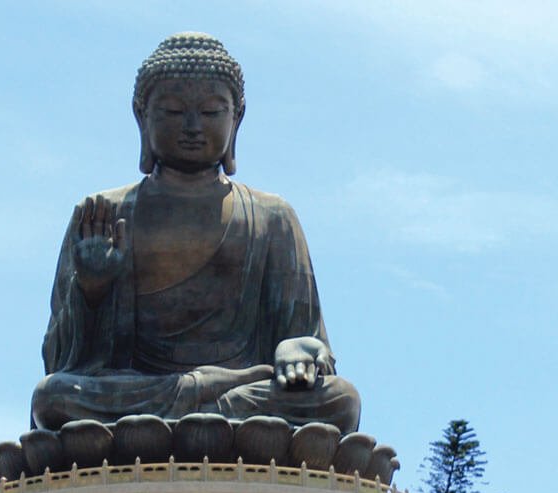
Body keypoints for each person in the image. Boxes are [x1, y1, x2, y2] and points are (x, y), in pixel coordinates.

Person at [30, 32, 360, 434]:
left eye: (210, 113)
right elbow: (60, 362)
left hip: (242, 394)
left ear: (236, 118)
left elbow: (305, 343)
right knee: (53, 398)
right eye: (171, 111)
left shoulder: (273, 217)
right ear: (141, 116)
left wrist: (298, 348)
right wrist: (91, 290)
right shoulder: (104, 213)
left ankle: (197, 417)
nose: (191, 127)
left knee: (341, 401)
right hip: (139, 394)